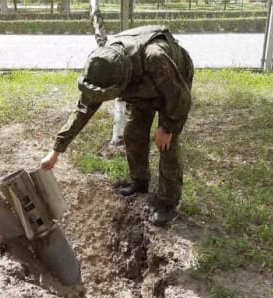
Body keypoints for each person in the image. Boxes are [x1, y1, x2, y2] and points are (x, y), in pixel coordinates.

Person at [41, 25, 194, 226]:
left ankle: (167, 202)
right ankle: (139, 182)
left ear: (122, 82)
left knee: (167, 144)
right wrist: (56, 150)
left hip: (172, 81)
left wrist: (167, 127)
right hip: (143, 87)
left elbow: (179, 98)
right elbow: (83, 110)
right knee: (133, 132)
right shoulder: (102, 68)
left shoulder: (154, 58)